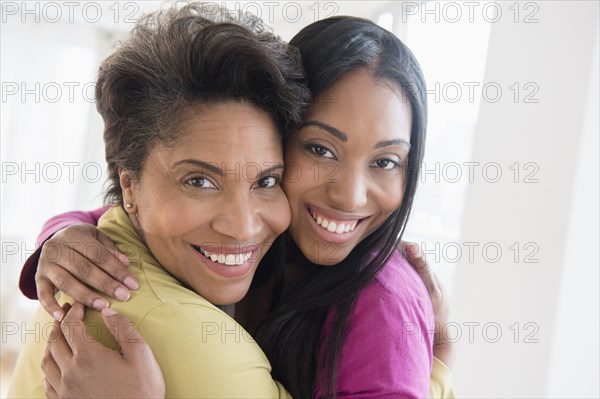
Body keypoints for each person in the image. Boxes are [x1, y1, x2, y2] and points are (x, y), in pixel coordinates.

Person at [18, 9, 456, 399]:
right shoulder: (278, 243)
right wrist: (60, 234)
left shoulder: (382, 307)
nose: (350, 195)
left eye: (385, 161)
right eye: (321, 150)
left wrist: (436, 373)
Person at [8, 3, 309, 398]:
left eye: (266, 180)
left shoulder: (105, 247)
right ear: (129, 186)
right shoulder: (205, 350)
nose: (244, 226)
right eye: (200, 181)